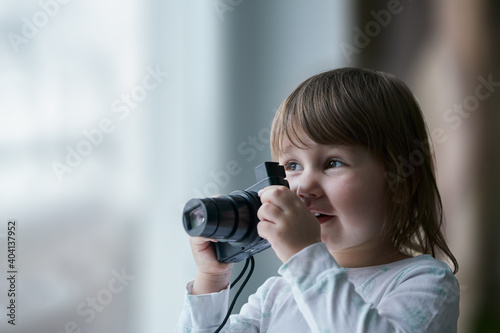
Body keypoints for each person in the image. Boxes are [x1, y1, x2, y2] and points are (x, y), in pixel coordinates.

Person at [176, 67, 460, 332]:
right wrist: (212, 280)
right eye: (292, 166)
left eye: (333, 163)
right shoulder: (276, 295)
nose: (304, 187)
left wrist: (304, 257)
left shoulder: (425, 282)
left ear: (401, 182)